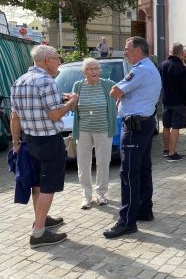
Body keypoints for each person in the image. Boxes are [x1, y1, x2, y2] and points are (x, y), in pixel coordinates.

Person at [10, 45, 79, 248]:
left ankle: (41, 218)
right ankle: (38, 233)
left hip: (29, 140)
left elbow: (15, 116)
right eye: (57, 58)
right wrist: (72, 102)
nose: (59, 62)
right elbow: (55, 115)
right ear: (47, 60)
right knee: (48, 186)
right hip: (49, 141)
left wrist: (15, 143)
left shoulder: (19, 81)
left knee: (37, 184)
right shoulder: (47, 81)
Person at [104, 36, 161, 239]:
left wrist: (121, 95)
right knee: (143, 169)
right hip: (144, 123)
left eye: (127, 49)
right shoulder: (148, 68)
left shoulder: (140, 70)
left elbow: (114, 91)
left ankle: (127, 221)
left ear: (138, 50)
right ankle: (144, 209)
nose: (125, 52)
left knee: (128, 173)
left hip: (136, 126)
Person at [71, 58, 118, 209]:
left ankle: (101, 193)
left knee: (103, 162)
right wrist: (71, 101)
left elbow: (122, 93)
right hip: (83, 130)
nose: (94, 71)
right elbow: (73, 108)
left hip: (103, 129)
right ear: (84, 72)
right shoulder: (78, 86)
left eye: (96, 68)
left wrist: (118, 104)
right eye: (90, 69)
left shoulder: (108, 84)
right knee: (83, 164)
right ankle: (86, 196)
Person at [158, 43, 186, 162]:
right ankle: (172, 153)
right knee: (175, 127)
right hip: (178, 102)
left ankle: (166, 150)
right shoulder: (182, 68)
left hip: (166, 101)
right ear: (181, 54)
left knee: (166, 126)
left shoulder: (162, 65)